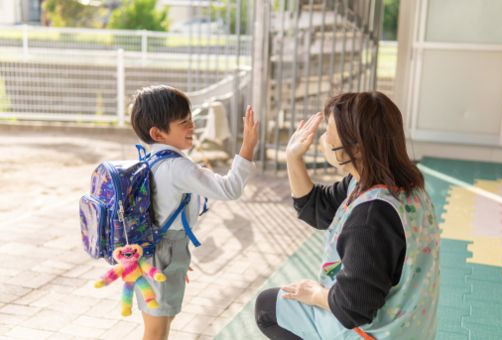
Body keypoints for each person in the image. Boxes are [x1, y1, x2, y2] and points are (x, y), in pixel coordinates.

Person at [254, 91, 440, 339]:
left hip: (372, 333)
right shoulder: (400, 185)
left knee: (268, 307)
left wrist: (316, 294)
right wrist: (293, 158)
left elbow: (352, 309)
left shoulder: (371, 217)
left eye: (330, 129)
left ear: (358, 148)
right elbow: (316, 209)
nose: (324, 138)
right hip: (410, 329)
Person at [130, 85, 259, 340]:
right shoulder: (178, 167)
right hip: (164, 253)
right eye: (184, 122)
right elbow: (230, 189)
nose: (192, 127)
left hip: (150, 249)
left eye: (191, 120)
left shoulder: (149, 159)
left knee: (157, 325)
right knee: (157, 331)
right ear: (158, 133)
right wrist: (248, 146)